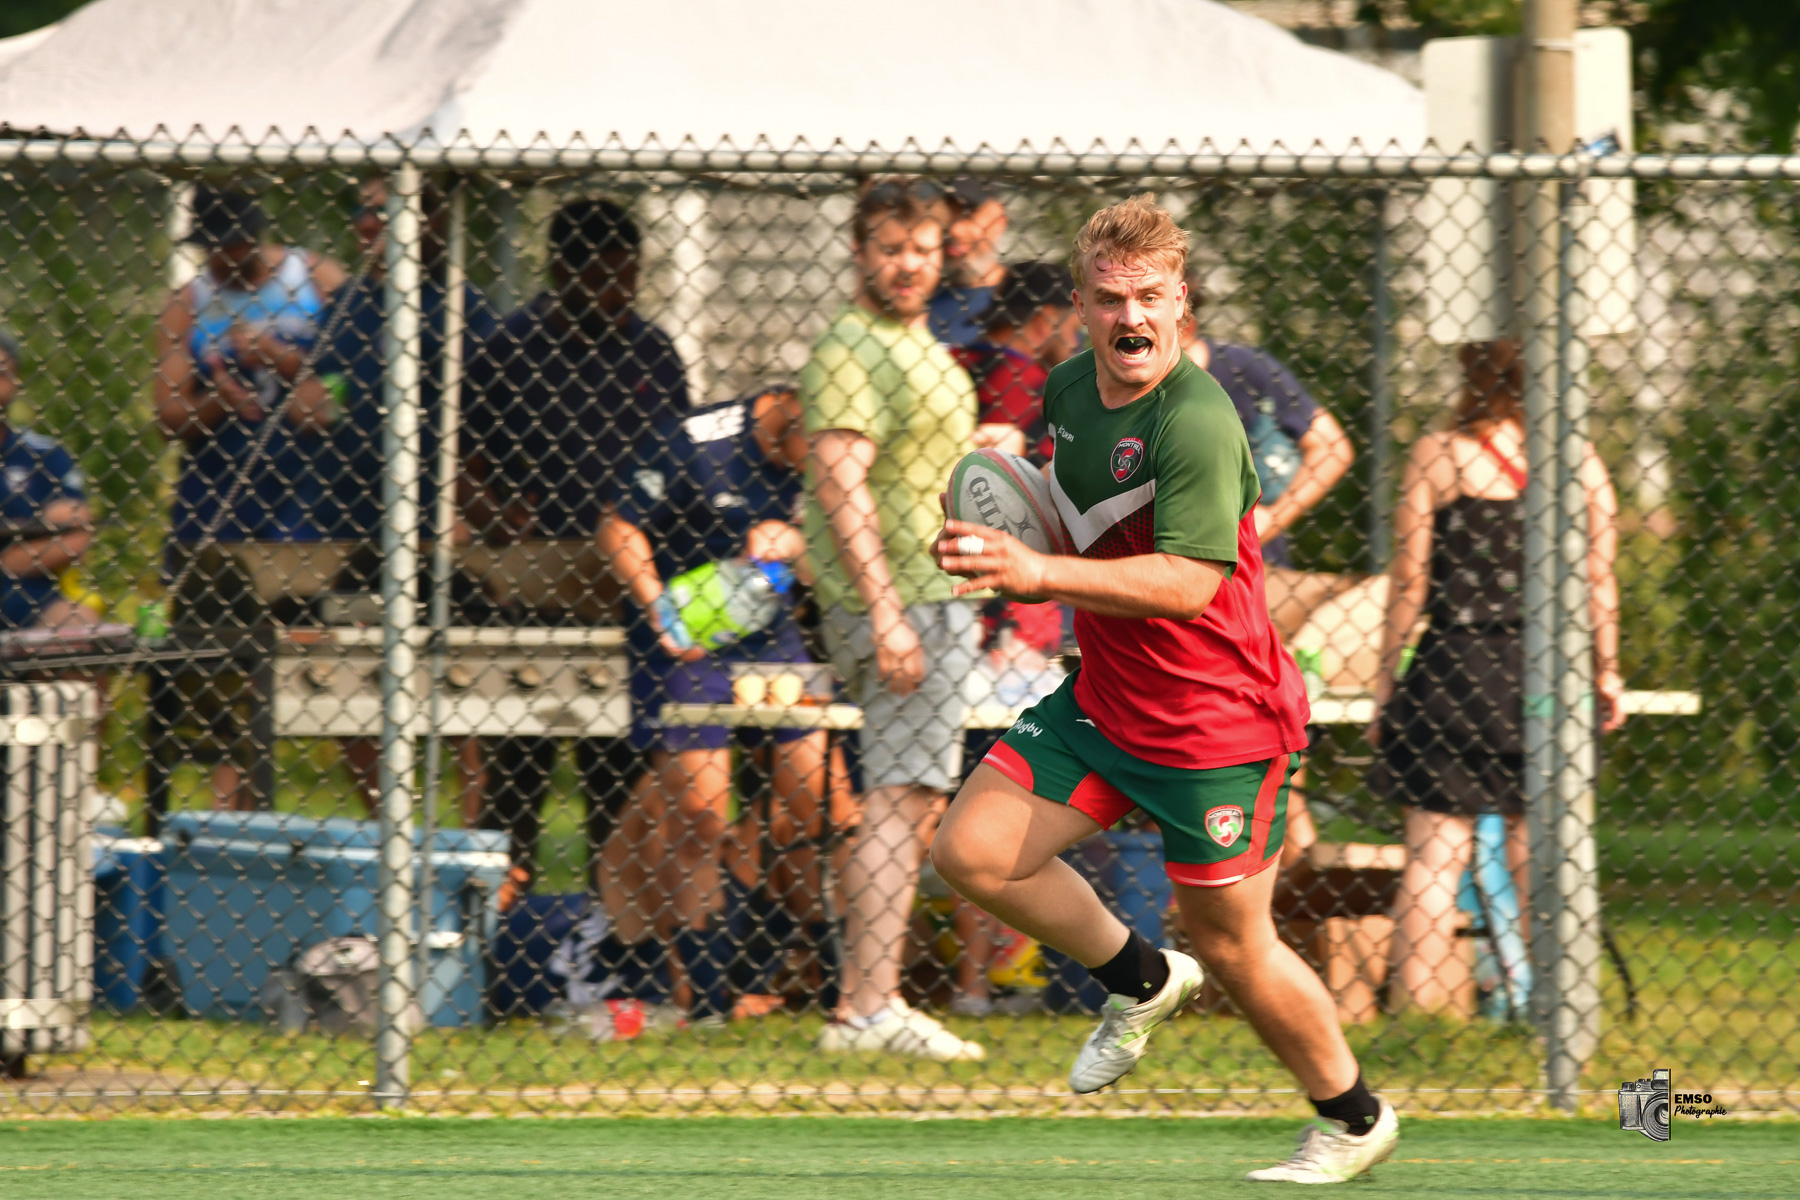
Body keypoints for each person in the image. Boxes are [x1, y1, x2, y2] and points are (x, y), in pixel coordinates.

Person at [930, 196, 1398, 1183]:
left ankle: (1354, 1118)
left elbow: (1188, 583)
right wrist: (997, 491)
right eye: (1110, 299)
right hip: (1105, 700)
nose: (1131, 318)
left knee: (1237, 947)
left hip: (1215, 725)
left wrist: (1033, 572)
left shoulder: (1198, 418)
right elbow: (1075, 510)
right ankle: (1140, 981)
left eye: (1150, 296)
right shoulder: (1066, 391)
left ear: (1180, 299)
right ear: (1082, 307)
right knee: (970, 851)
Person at [1369, 339, 1623, 1015]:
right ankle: (1562, 1022)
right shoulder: (1580, 465)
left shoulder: (1439, 455)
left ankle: (1418, 1023)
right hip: (1546, 680)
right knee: (1539, 859)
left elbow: (1410, 582)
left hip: (1455, 668)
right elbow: (1599, 582)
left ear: (1471, 375)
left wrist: (1386, 681)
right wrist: (1608, 670)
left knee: (1433, 861)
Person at [805, 179, 984, 1062]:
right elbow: (841, 481)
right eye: (889, 248)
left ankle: (870, 1003)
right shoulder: (851, 346)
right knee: (899, 796)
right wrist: (887, 615)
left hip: (935, 590)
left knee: (912, 798)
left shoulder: (917, 343)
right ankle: (866, 1008)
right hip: (904, 598)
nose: (908, 264)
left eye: (921, 248)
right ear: (859, 252)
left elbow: (913, 461)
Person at [462, 197, 687, 887]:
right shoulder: (509, 348)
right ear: (562, 271)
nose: (618, 294)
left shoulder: (653, 350)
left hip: (626, 587)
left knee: (618, 776)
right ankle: (495, 935)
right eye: (602, 279)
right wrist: (495, 515)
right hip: (530, 585)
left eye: (629, 277)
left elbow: (684, 462)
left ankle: (609, 933)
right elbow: (461, 460)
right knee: (516, 774)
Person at [594, 385, 832, 1025]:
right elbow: (617, 525)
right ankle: (705, 1000)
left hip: (770, 631)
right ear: (791, 415)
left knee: (820, 802)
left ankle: (839, 981)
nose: (819, 470)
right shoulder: (696, 441)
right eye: (812, 454)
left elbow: (837, 557)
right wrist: (657, 605)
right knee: (699, 815)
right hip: (683, 637)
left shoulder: (834, 454)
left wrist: (798, 542)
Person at [152, 186, 347, 810]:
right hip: (218, 495)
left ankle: (384, 814)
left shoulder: (316, 278)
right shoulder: (189, 304)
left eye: (231, 246)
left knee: (333, 651)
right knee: (227, 661)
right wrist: (220, 402)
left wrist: (277, 358)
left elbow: (341, 397)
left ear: (256, 237)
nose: (220, 260)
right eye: (209, 248)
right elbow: (168, 413)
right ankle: (227, 818)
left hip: (307, 492)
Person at [313, 178, 500, 819]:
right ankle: (390, 826)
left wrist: (466, 504)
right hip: (353, 522)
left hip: (438, 525)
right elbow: (327, 395)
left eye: (383, 210)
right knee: (352, 681)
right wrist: (310, 398)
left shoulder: (460, 307)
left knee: (465, 677)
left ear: (431, 219)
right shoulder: (344, 308)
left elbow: (485, 427)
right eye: (360, 210)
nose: (367, 223)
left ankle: (471, 832)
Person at [1178, 274, 1354, 634]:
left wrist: (1273, 517)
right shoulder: (1110, 381)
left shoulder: (1244, 369)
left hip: (1251, 573)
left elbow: (1333, 447)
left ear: (1187, 323)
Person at [0, 327, 97, 634]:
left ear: (15, 383)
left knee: (81, 626)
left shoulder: (42, 454)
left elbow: (77, 533)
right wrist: (37, 531)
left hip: (27, 597)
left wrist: (9, 562)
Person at [952, 261, 1082, 466]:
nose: (1074, 343)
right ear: (1045, 321)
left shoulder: (950, 359)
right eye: (1072, 330)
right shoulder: (1036, 386)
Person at [928, 178, 1008, 347]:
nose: (954, 230)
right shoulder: (914, 297)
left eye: (968, 215)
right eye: (945, 214)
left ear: (1000, 221)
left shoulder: (1026, 300)